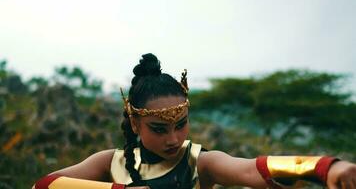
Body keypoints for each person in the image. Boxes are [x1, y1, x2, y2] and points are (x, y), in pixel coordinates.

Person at [34, 53, 356, 189]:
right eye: (159, 129)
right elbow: (46, 185)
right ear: (135, 124)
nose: (173, 139)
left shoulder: (199, 162)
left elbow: (251, 169)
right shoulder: (110, 162)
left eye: (181, 124)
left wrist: (325, 167)